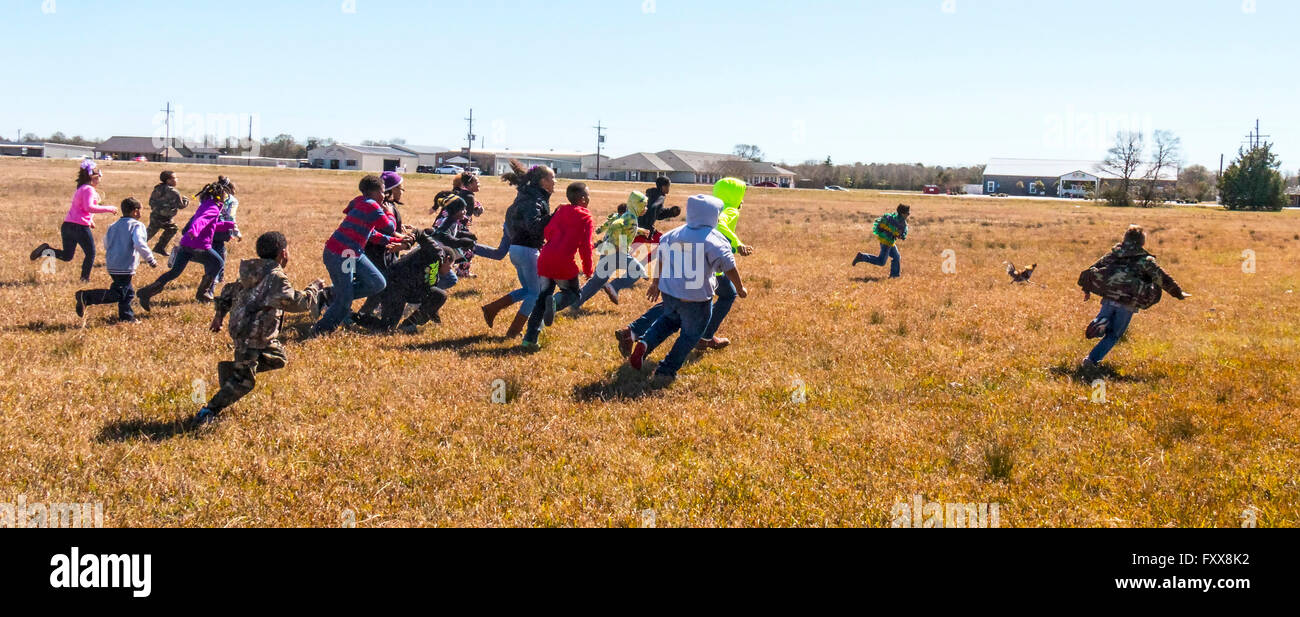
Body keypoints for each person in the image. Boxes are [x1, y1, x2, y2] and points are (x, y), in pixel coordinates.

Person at [196, 231, 325, 425]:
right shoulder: (275, 277)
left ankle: (234, 370)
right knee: (245, 382)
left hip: (253, 331)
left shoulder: (252, 270)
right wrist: (314, 288)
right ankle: (208, 411)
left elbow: (228, 291)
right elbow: (295, 303)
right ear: (283, 253)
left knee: (279, 359)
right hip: (252, 333)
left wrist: (219, 315)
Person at [616, 178, 751, 354]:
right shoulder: (729, 210)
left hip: (697, 258)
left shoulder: (710, 207)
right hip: (709, 264)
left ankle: (632, 331)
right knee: (726, 294)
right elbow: (722, 226)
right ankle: (704, 337)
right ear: (736, 194)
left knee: (675, 302)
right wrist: (738, 243)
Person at [1078, 225, 1190, 368]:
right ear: (1142, 242)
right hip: (1129, 301)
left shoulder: (1113, 254)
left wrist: (1086, 289)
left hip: (1109, 297)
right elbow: (1161, 278)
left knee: (1105, 323)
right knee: (1114, 335)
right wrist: (1178, 293)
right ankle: (1091, 360)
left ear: (1125, 239)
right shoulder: (1145, 260)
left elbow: (1093, 269)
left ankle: (1100, 323)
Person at [312, 175, 408, 335]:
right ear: (376, 192)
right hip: (341, 254)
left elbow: (371, 234)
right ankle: (320, 330)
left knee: (377, 283)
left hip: (353, 253)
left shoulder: (362, 203)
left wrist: (393, 240)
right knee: (345, 299)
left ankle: (332, 294)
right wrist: (389, 212)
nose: (384, 196)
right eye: (383, 192)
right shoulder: (372, 206)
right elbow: (390, 226)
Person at [136, 177, 238, 309]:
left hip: (186, 245)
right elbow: (201, 221)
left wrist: (229, 225)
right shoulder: (213, 207)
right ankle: (203, 293)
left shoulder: (206, 204)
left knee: (174, 272)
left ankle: (146, 292)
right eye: (224, 194)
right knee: (218, 262)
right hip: (199, 245)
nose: (225, 196)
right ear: (218, 195)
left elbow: (210, 224)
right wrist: (195, 231)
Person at [479, 160, 555, 338]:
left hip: (517, 249)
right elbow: (534, 225)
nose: (555, 182)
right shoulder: (535, 199)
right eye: (552, 178)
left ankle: (492, 308)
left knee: (528, 290)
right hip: (527, 250)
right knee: (535, 293)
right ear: (543, 181)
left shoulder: (526, 196)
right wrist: (553, 217)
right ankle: (513, 332)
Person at [522, 182, 595, 349]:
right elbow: (586, 246)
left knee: (541, 301)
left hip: (545, 258)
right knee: (573, 294)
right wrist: (588, 269)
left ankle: (529, 339)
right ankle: (554, 302)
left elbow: (547, 232)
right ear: (583, 199)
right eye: (588, 196)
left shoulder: (561, 210)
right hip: (564, 263)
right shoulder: (586, 217)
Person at [557, 191, 650, 312]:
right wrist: (618, 244)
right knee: (638, 271)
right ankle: (614, 286)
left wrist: (640, 230)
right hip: (617, 251)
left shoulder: (629, 215)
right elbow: (616, 226)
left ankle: (574, 303)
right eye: (644, 205)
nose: (645, 208)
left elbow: (625, 226)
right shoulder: (630, 217)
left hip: (608, 250)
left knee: (597, 281)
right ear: (636, 205)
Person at [349, 227, 453, 334]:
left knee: (440, 294)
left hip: (407, 292)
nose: (449, 270)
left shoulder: (435, 278)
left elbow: (432, 299)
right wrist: (406, 244)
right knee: (386, 328)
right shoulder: (436, 252)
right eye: (450, 266)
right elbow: (419, 232)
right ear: (447, 258)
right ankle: (351, 316)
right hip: (394, 285)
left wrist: (433, 314)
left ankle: (409, 325)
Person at [30, 159, 116, 282]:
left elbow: (81, 209)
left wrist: (90, 220)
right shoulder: (89, 189)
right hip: (79, 227)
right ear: (93, 177)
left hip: (68, 226)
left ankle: (45, 250)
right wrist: (109, 208)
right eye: (99, 176)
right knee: (90, 253)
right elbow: (89, 207)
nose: (100, 179)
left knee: (67, 256)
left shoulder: (81, 188)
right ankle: (84, 279)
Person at [74, 198, 157, 323]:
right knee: (119, 294)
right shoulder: (136, 225)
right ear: (135, 212)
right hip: (125, 265)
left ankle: (126, 317)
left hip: (112, 263)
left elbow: (106, 243)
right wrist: (150, 259)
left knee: (127, 292)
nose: (141, 213)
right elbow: (139, 243)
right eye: (140, 210)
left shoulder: (113, 225)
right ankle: (86, 297)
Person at [853, 203, 909, 278]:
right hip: (886, 243)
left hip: (889, 242)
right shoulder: (897, 221)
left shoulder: (896, 219)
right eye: (907, 213)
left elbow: (900, 233)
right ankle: (862, 257)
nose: (909, 214)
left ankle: (894, 275)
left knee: (896, 257)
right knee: (881, 262)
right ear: (903, 214)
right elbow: (898, 232)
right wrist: (898, 234)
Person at [146, 170, 190, 256]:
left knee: (149, 233)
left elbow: (151, 202)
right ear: (168, 180)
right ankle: (158, 247)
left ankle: (135, 245)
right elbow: (181, 206)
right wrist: (186, 201)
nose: (176, 180)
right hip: (165, 218)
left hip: (155, 215)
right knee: (171, 229)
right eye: (174, 178)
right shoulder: (173, 192)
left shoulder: (157, 188)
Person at [211, 192, 243, 284]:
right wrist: (237, 233)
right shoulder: (231, 201)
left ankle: (217, 278)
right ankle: (216, 278)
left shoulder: (208, 198)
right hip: (220, 233)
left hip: (208, 234)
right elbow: (231, 217)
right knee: (220, 256)